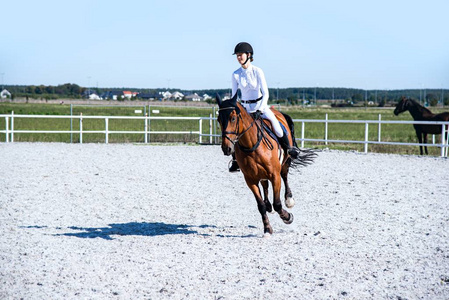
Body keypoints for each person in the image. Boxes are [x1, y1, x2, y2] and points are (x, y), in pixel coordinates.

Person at [228, 42, 300, 172]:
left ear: (248, 55)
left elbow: (266, 93)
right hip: (244, 109)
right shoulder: (235, 74)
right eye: (237, 56)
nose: (239, 58)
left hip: (260, 106)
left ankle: (289, 149)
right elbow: (234, 96)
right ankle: (235, 160)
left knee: (276, 126)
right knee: (235, 132)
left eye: (241, 55)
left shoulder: (257, 71)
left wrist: (260, 109)